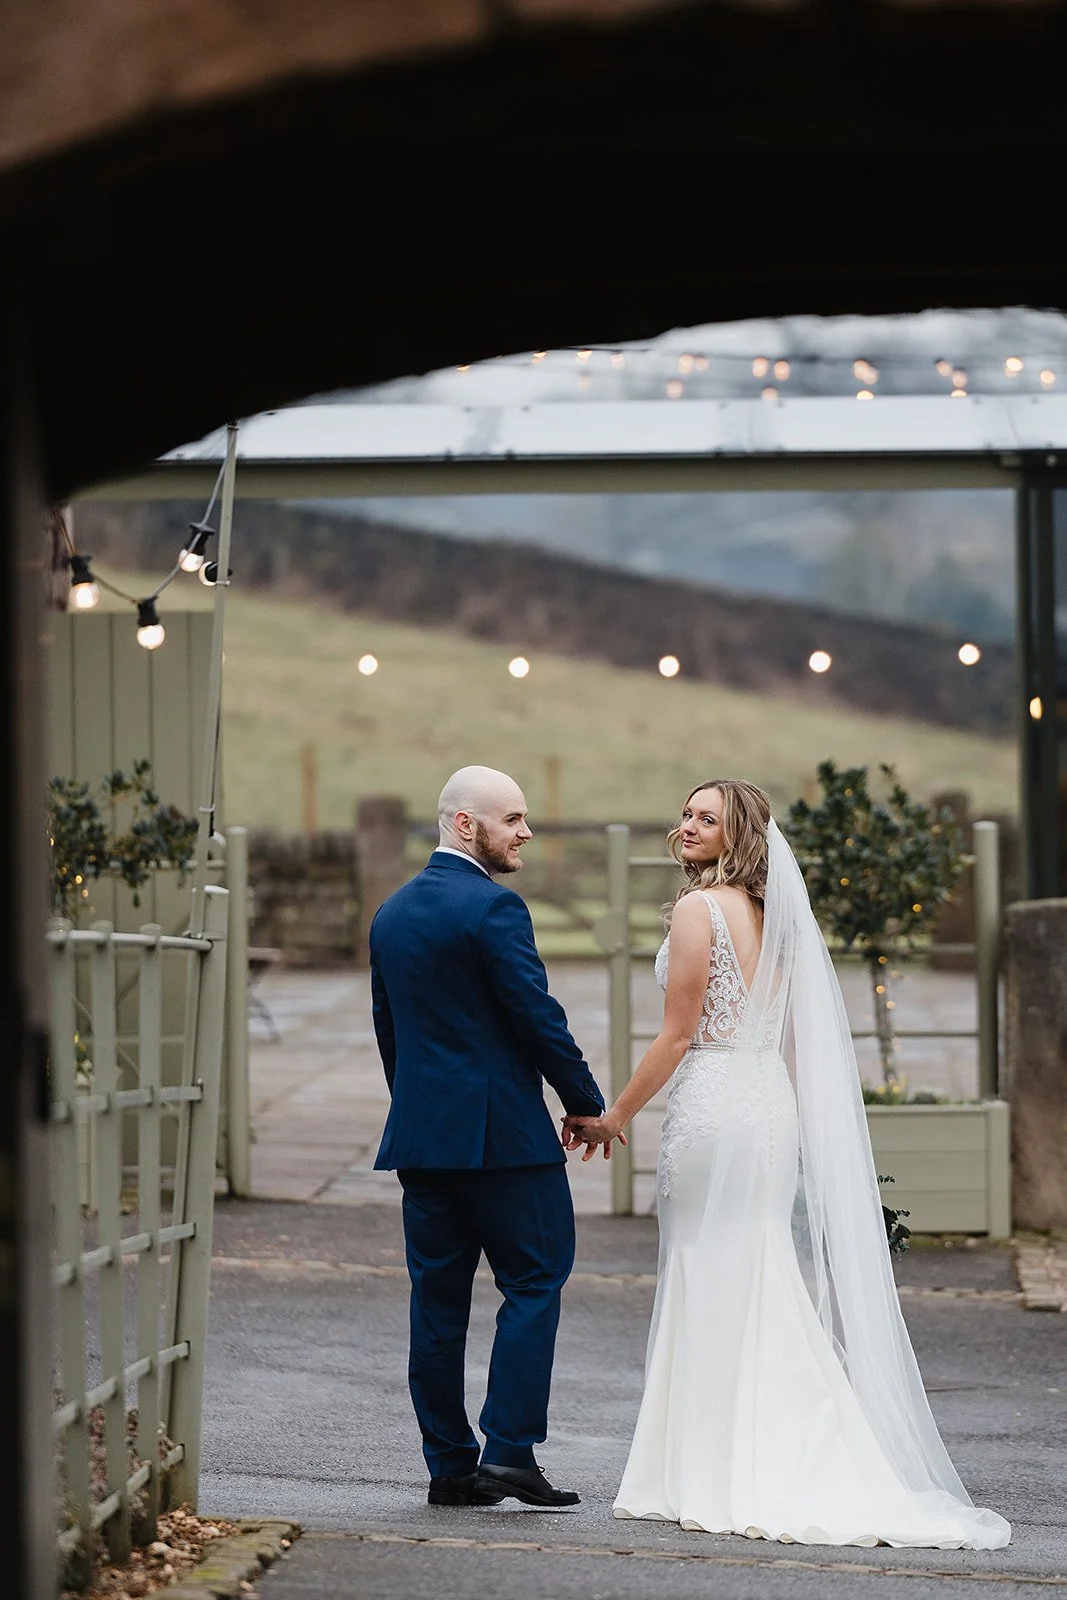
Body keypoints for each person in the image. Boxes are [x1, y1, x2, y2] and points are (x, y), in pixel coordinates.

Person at [564, 779, 1010, 1550]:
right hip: (766, 1105)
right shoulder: (777, 918)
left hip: (714, 1106)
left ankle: (708, 1466)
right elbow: (797, 1042)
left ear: (737, 834)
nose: (687, 825)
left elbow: (677, 1035)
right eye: (685, 814)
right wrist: (809, 1137)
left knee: (709, 1269)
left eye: (706, 818)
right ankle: (769, 1451)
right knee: (758, 1271)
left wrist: (615, 1116)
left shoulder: (700, 910)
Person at [370, 764, 619, 1511]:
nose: (525, 832)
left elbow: (391, 1034)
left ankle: (450, 1468)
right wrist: (586, 1103)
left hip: (423, 1140)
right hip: (504, 1140)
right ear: (464, 823)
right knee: (535, 1281)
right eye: (511, 818)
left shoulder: (390, 914)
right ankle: (508, 1452)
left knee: (436, 1304)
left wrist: (421, 1110)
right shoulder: (493, 908)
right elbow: (536, 1017)